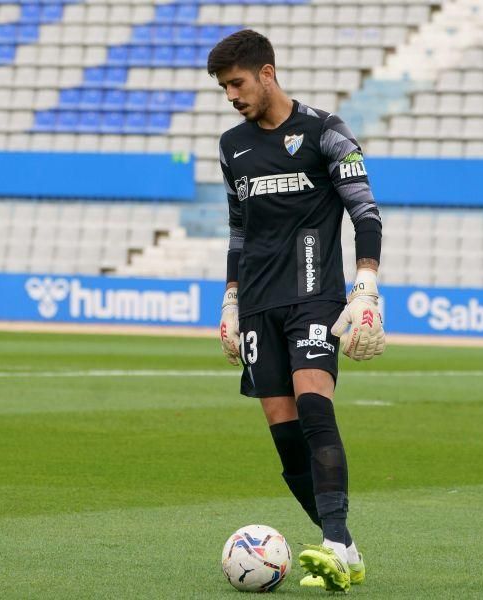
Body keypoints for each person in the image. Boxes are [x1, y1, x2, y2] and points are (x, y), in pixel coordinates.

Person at [208, 29, 385, 593]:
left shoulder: (325, 131)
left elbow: (365, 212)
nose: (231, 95)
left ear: (267, 73)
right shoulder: (231, 145)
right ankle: (345, 548)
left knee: (315, 410)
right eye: (223, 87)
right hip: (257, 303)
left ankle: (332, 541)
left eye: (236, 83)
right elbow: (239, 232)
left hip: (315, 295)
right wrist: (231, 300)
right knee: (286, 443)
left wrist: (366, 286)